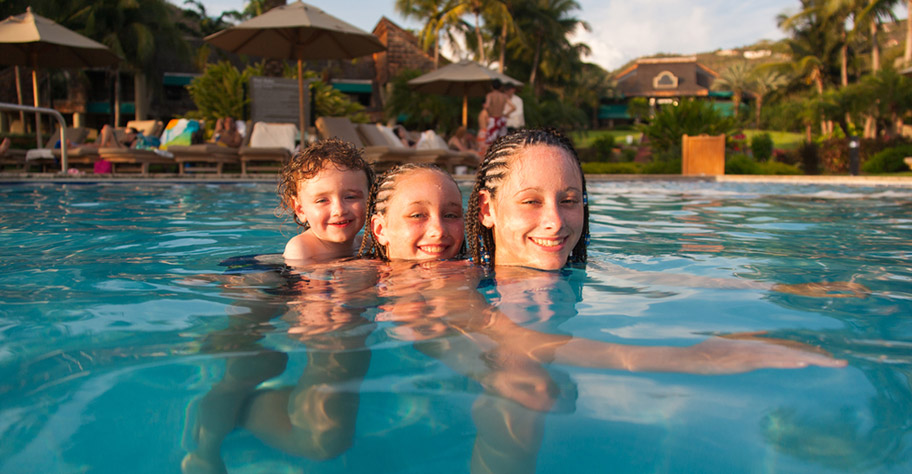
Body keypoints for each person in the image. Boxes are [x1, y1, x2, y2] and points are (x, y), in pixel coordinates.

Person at [278, 138, 375, 262]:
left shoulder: (366, 244)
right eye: (322, 201)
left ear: (370, 201)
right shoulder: (301, 249)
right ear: (300, 209)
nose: (339, 210)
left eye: (351, 197)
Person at [359, 163, 465, 262]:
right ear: (380, 230)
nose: (438, 231)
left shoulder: (477, 269)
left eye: (450, 215)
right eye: (417, 215)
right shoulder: (360, 278)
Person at [483, 79, 515, 147]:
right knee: (502, 141)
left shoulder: (490, 95)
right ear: (500, 87)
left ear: (491, 87)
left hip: (493, 119)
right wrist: (506, 114)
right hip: (501, 119)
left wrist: (489, 113)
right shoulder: (504, 96)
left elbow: (487, 106)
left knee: (490, 142)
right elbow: (513, 107)